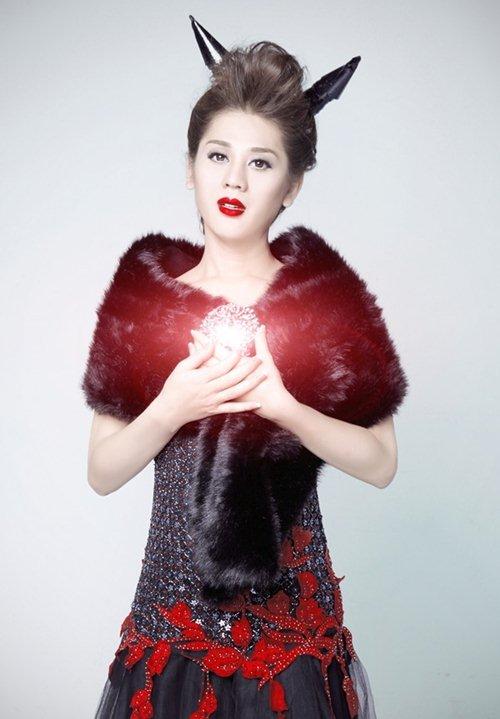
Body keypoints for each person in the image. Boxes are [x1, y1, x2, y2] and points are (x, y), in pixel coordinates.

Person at [82, 15, 407, 719]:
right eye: (217, 155)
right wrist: (174, 403)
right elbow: (102, 471)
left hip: (291, 631)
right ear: (190, 166)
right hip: (172, 618)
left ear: (291, 185)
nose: (234, 178)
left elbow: (381, 462)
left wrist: (285, 407)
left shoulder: (323, 298)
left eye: (261, 162)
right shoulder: (145, 296)